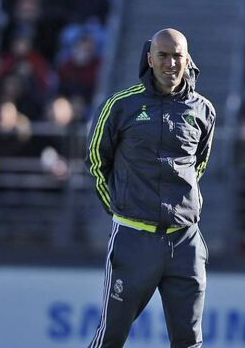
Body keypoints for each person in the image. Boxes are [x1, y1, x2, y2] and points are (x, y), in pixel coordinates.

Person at [85, 28, 215, 348]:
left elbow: (198, 164)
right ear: (149, 58)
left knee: (190, 341)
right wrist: (119, 207)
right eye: (163, 55)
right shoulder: (121, 104)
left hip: (185, 241)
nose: (171, 63)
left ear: (188, 60)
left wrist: (184, 206)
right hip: (133, 238)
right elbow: (96, 160)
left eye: (177, 56)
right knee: (111, 337)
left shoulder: (203, 110)